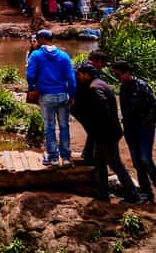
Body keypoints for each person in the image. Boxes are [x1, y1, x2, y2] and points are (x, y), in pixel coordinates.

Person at [75, 63, 143, 204]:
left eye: (79, 74)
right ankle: (102, 193)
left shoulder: (94, 89)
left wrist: (94, 123)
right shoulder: (100, 83)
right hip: (107, 133)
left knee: (115, 163)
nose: (78, 77)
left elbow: (102, 110)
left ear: (86, 74)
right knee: (100, 162)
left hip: (106, 134)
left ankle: (133, 196)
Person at [26, 28, 76, 166]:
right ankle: (65, 157)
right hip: (62, 95)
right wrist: (72, 95)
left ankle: (53, 157)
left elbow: (30, 75)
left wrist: (32, 88)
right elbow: (71, 78)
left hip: (46, 96)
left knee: (49, 127)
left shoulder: (35, 55)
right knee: (64, 126)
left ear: (41, 39)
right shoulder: (64, 55)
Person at [111, 61, 156, 201]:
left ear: (127, 72)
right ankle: (146, 191)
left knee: (145, 158)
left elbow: (153, 108)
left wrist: (145, 123)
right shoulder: (123, 87)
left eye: (118, 74)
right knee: (137, 161)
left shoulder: (142, 86)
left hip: (144, 128)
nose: (117, 77)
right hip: (130, 129)